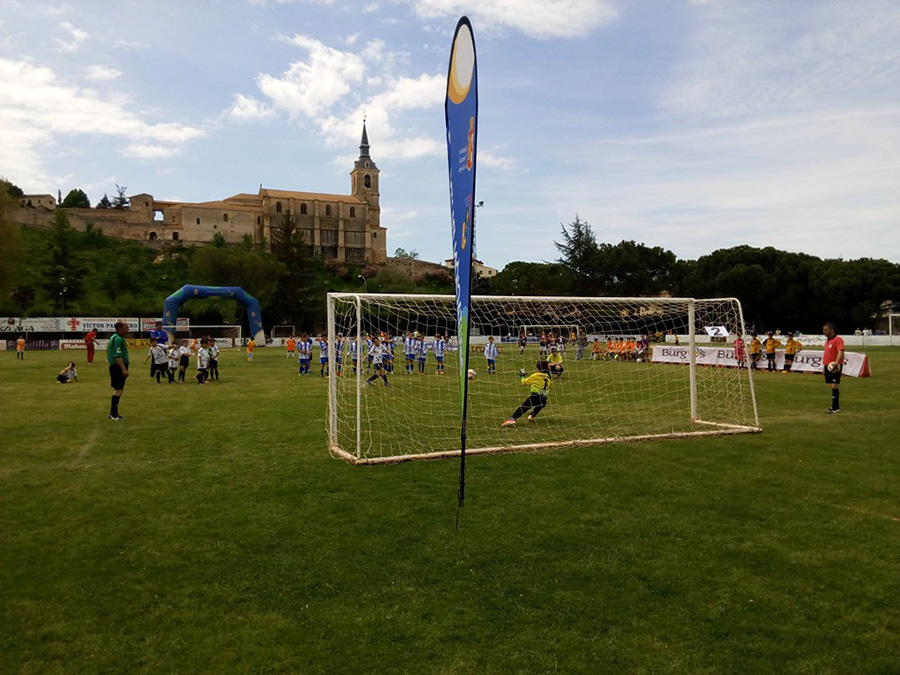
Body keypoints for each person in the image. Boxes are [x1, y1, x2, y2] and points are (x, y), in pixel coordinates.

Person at [501, 360, 551, 427]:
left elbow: (524, 382)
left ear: (538, 368)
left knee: (524, 407)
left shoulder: (536, 375)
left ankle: (512, 419)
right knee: (542, 404)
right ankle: (532, 416)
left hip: (535, 395)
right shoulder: (548, 376)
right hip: (544, 396)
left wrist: (522, 376)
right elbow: (549, 387)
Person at [107, 320, 129, 420]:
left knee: (117, 390)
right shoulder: (118, 339)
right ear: (120, 328)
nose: (128, 329)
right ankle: (114, 414)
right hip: (118, 367)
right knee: (118, 390)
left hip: (115, 366)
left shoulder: (113, 337)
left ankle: (113, 413)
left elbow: (108, 349)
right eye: (126, 327)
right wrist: (124, 369)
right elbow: (117, 355)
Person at [822, 322, 844, 414]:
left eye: (826, 330)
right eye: (823, 330)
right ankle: (834, 406)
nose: (824, 331)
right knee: (831, 385)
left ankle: (835, 407)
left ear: (832, 330)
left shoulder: (838, 339)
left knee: (834, 385)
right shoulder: (827, 341)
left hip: (834, 366)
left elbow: (840, 352)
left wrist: (836, 363)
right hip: (828, 366)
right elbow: (827, 354)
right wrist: (824, 367)